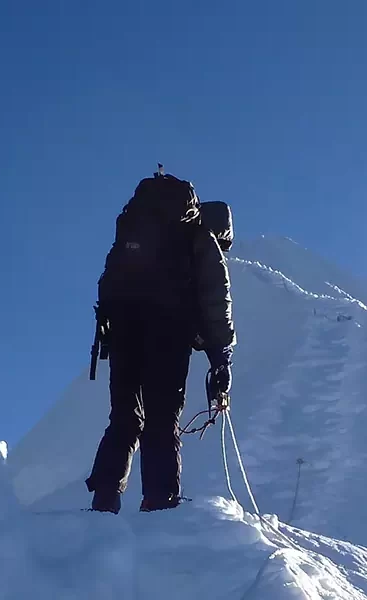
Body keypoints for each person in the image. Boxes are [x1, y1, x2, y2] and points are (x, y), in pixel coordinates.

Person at [85, 171, 236, 514]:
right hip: (169, 328)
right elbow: (217, 297)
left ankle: (104, 499)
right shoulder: (200, 236)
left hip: (123, 325)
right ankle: (160, 499)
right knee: (162, 414)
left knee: (124, 415)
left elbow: (109, 279)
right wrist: (221, 355)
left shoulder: (137, 226)